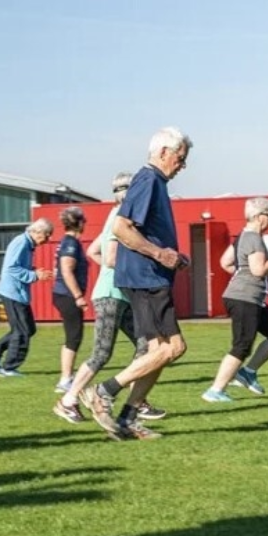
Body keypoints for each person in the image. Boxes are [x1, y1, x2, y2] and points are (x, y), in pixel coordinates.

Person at [83, 127, 192, 441]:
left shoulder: (154, 182)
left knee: (157, 351)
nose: (182, 165)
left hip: (149, 275)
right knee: (174, 347)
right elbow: (120, 227)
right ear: (162, 152)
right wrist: (159, 254)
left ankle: (128, 419)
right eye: (180, 158)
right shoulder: (148, 180)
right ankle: (103, 392)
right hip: (146, 278)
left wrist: (172, 256)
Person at [53, 173, 156, 425]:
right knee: (101, 353)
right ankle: (68, 400)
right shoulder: (121, 215)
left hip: (119, 293)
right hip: (111, 295)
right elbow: (110, 257)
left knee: (146, 346)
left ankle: (136, 402)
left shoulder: (118, 214)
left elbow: (92, 251)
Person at [201, 197, 268, 402]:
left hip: (250, 297)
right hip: (244, 298)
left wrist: (242, 274)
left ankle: (247, 373)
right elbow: (258, 270)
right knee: (242, 345)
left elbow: (225, 262)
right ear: (260, 217)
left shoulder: (242, 236)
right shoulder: (253, 238)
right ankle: (215, 390)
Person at [0, 220, 54, 378]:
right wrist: (34, 275)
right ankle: (9, 368)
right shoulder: (21, 243)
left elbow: (17, 265)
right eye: (47, 235)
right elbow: (11, 267)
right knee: (22, 331)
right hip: (13, 292)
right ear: (36, 232)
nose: (48, 240)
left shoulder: (27, 245)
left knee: (28, 329)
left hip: (19, 293)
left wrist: (33, 270)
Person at [52, 206, 89, 394]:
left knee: (73, 336)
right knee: (73, 336)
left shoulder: (67, 242)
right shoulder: (70, 243)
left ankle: (66, 377)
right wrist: (78, 296)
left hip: (63, 294)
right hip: (67, 295)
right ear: (80, 222)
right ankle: (65, 379)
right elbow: (66, 269)